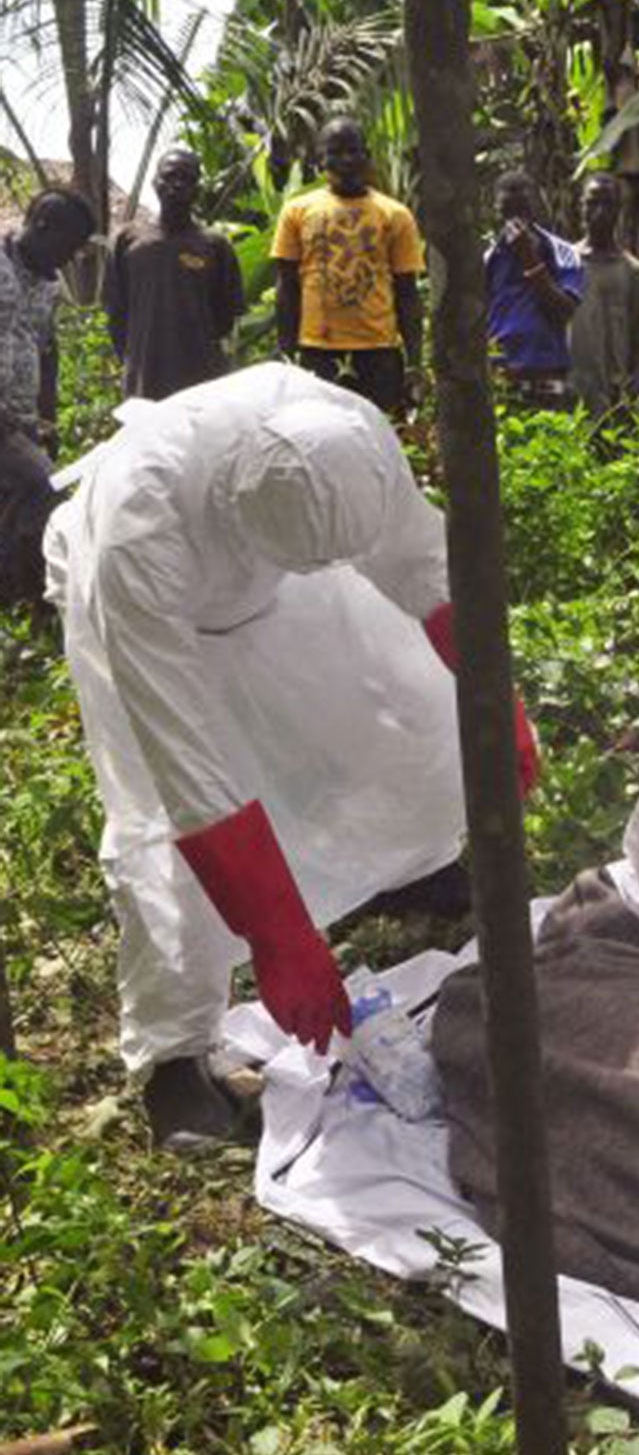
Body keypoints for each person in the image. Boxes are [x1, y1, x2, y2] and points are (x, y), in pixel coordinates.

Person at [41, 363, 542, 1149]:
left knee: (386, 699)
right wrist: (279, 939)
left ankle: (405, 871)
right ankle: (176, 1061)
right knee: (155, 830)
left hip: (273, 587)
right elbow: (191, 768)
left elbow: (426, 569)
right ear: (242, 518)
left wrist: (497, 704)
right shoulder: (138, 540)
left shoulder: (345, 436)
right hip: (147, 620)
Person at [272, 118, 425, 414]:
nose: (345, 161)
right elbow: (287, 286)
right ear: (320, 159)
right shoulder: (296, 211)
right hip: (317, 351)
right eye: (335, 152)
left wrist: (415, 362)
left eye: (353, 151)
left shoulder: (395, 215)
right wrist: (286, 352)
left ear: (366, 155)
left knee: (380, 436)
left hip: (378, 353)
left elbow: (407, 292)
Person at [0, 188, 94, 609]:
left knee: (21, 494)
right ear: (42, 226)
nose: (71, 258)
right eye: (69, 245)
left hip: (20, 415)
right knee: (41, 485)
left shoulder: (47, 284)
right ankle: (29, 597)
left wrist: (47, 419)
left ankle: (15, 597)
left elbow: (46, 348)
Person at [104, 150, 245, 401]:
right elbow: (116, 311)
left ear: (197, 188)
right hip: (144, 379)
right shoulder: (127, 241)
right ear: (155, 183)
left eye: (187, 178)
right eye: (169, 176)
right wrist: (133, 360)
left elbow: (225, 318)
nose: (177, 184)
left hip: (202, 381)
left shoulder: (216, 246)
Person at [485, 169, 583, 404]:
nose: (517, 223)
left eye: (523, 211)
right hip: (502, 374)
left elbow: (565, 311)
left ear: (536, 207)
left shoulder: (561, 251)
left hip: (547, 374)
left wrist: (529, 258)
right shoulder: (489, 257)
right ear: (497, 211)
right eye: (509, 212)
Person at [567, 172, 639, 415]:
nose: (599, 211)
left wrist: (635, 388)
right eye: (591, 203)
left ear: (619, 210)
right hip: (569, 398)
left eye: (607, 203)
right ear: (581, 207)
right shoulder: (563, 264)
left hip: (614, 400)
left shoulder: (633, 272)